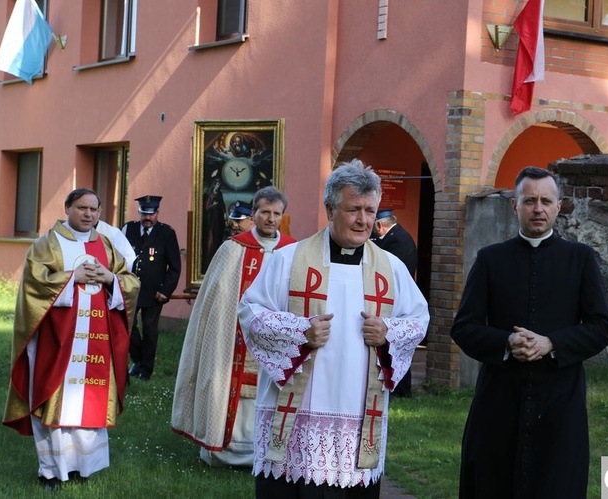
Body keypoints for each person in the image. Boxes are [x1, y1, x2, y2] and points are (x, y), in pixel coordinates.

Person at [238, 159, 430, 497]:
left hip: (359, 419)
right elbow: (251, 314)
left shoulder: (391, 268)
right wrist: (300, 333)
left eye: (370, 210)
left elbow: (418, 321)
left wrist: (388, 333)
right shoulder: (289, 259)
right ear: (329, 209)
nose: (364, 220)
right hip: (296, 423)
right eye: (354, 209)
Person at [450, 166, 608, 499]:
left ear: (558, 206)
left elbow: (601, 326)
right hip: (499, 402)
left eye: (545, 201)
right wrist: (507, 342)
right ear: (515, 206)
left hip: (559, 403)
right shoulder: (490, 259)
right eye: (529, 201)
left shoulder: (579, 259)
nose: (537, 208)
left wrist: (551, 342)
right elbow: (464, 327)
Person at [2, 188, 140, 490]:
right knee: (56, 402)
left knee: (88, 401)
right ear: (67, 208)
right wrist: (70, 278)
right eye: (81, 208)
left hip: (97, 341)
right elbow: (34, 284)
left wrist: (110, 279)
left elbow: (130, 281)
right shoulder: (47, 244)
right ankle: (51, 470)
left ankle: (83, 467)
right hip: (59, 339)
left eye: (94, 209)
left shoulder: (105, 245)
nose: (88, 214)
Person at [172, 186, 295, 467]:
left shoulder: (291, 250)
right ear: (253, 214)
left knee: (271, 388)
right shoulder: (233, 248)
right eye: (265, 212)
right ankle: (226, 449)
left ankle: (266, 449)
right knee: (228, 383)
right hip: (234, 336)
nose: (270, 219)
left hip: (276, 337)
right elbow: (217, 298)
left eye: (277, 214)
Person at [122, 195, 181, 381]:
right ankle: (138, 361)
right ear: (139, 212)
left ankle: (146, 370)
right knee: (128, 327)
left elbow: (174, 267)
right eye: (144, 213)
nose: (147, 218)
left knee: (149, 329)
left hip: (154, 291)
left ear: (157, 213)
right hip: (130, 289)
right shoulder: (128, 229)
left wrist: (166, 290)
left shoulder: (166, 233)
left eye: (151, 214)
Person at [372, 208, 419, 397]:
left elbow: (385, 267)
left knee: (397, 344)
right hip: (395, 296)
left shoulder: (397, 239)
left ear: (379, 225)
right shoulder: (397, 235)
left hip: (397, 298)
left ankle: (401, 389)